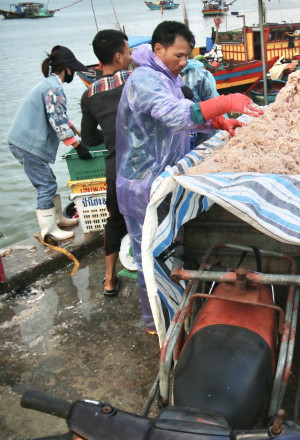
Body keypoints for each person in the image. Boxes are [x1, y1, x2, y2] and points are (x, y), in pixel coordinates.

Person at [115, 21, 263, 332]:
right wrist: (226, 102)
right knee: (150, 258)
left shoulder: (168, 77)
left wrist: (220, 123)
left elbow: (186, 115)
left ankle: (178, 311)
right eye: (179, 55)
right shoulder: (144, 79)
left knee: (170, 250)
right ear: (158, 49)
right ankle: (156, 323)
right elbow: (173, 114)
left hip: (165, 175)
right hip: (141, 182)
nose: (184, 62)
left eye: (187, 56)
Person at [7, 46, 90, 242]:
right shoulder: (54, 88)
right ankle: (48, 231)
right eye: (74, 70)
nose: (74, 74)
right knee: (45, 184)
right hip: (27, 145)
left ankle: (58, 218)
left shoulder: (49, 84)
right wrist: (78, 146)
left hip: (22, 142)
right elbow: (57, 121)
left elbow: (56, 115)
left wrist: (73, 127)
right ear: (67, 69)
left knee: (49, 180)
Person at [80, 30, 132, 296]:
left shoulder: (89, 95)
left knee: (114, 222)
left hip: (115, 171)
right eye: (128, 50)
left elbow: (89, 139)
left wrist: (113, 138)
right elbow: (184, 95)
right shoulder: (138, 80)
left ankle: (110, 280)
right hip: (149, 167)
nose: (131, 55)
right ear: (118, 56)